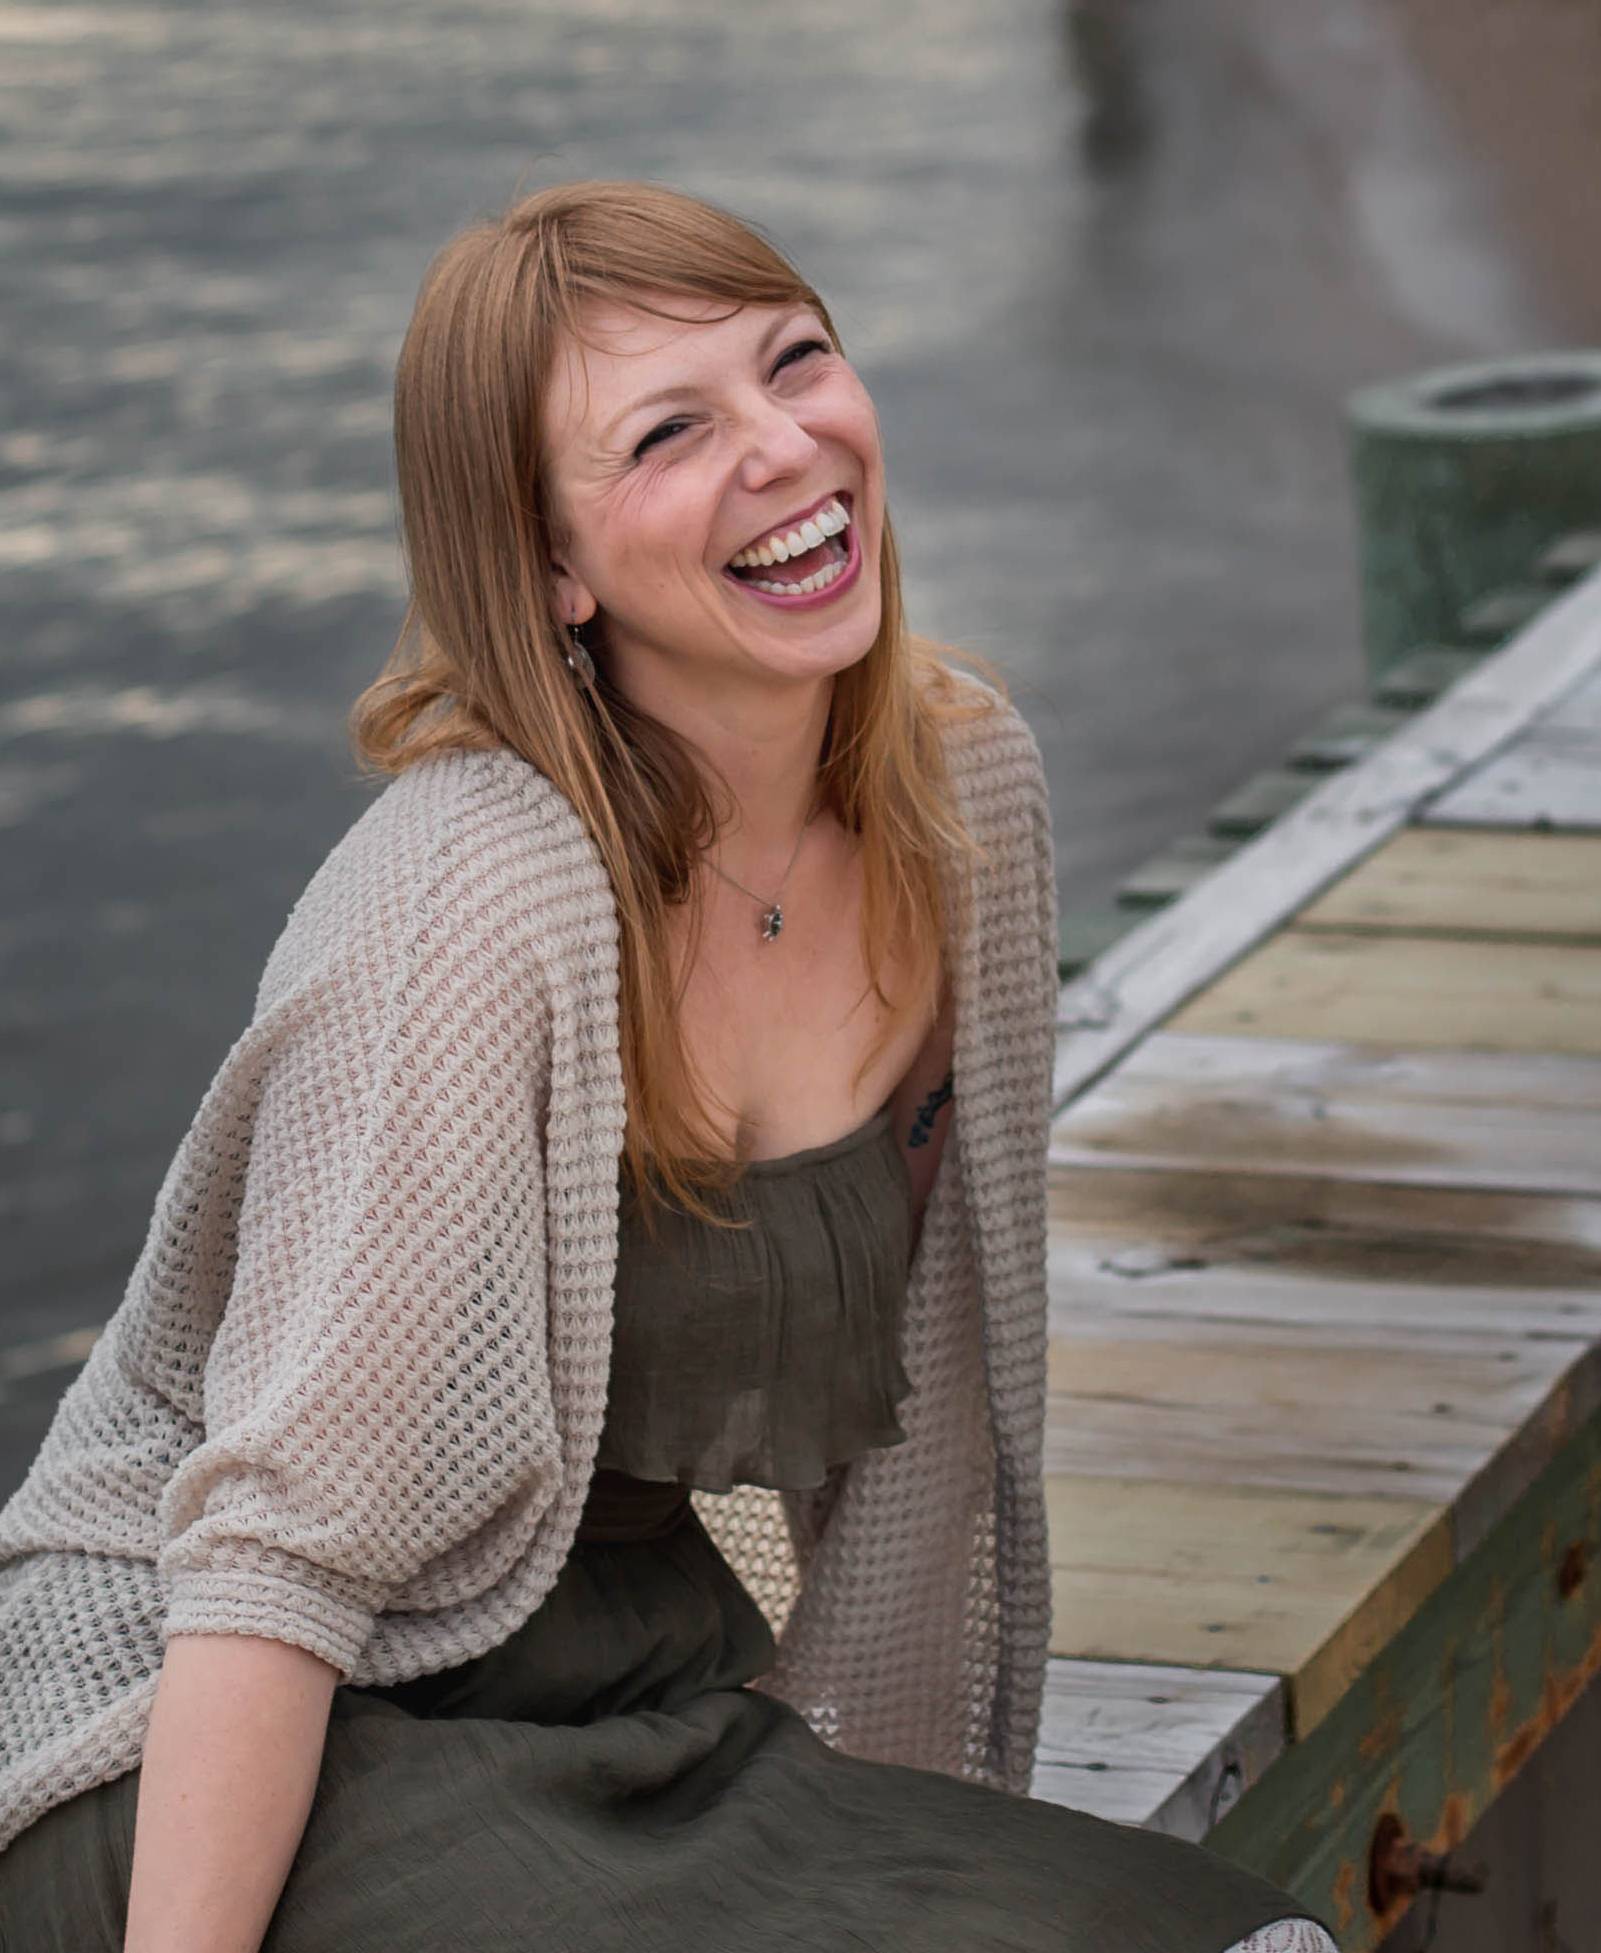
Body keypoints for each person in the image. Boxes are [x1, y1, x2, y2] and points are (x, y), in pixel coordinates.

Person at [0, 179, 1339, 1953]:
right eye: (670, 432)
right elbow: (276, 1558)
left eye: (797, 361)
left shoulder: (964, 798)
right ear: (547, 565)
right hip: (198, 1736)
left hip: (632, 1693)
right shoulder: (471, 895)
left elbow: (938, 1427)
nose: (786, 447)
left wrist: (926, 1831)